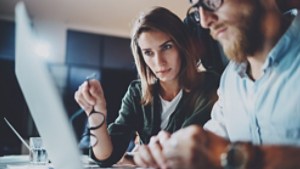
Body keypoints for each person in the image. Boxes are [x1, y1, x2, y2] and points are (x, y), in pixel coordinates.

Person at [133, 0, 300, 169]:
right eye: (198, 8)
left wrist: (236, 156)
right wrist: (171, 152)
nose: (205, 22)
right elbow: (211, 140)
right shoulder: (230, 79)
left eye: (212, 1)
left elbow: (221, 153)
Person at [74, 6, 220, 167]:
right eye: (148, 53)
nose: (159, 62)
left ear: (182, 46)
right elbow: (105, 157)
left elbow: (181, 149)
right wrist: (96, 113)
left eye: (167, 47)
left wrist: (135, 158)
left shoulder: (208, 85)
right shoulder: (137, 93)